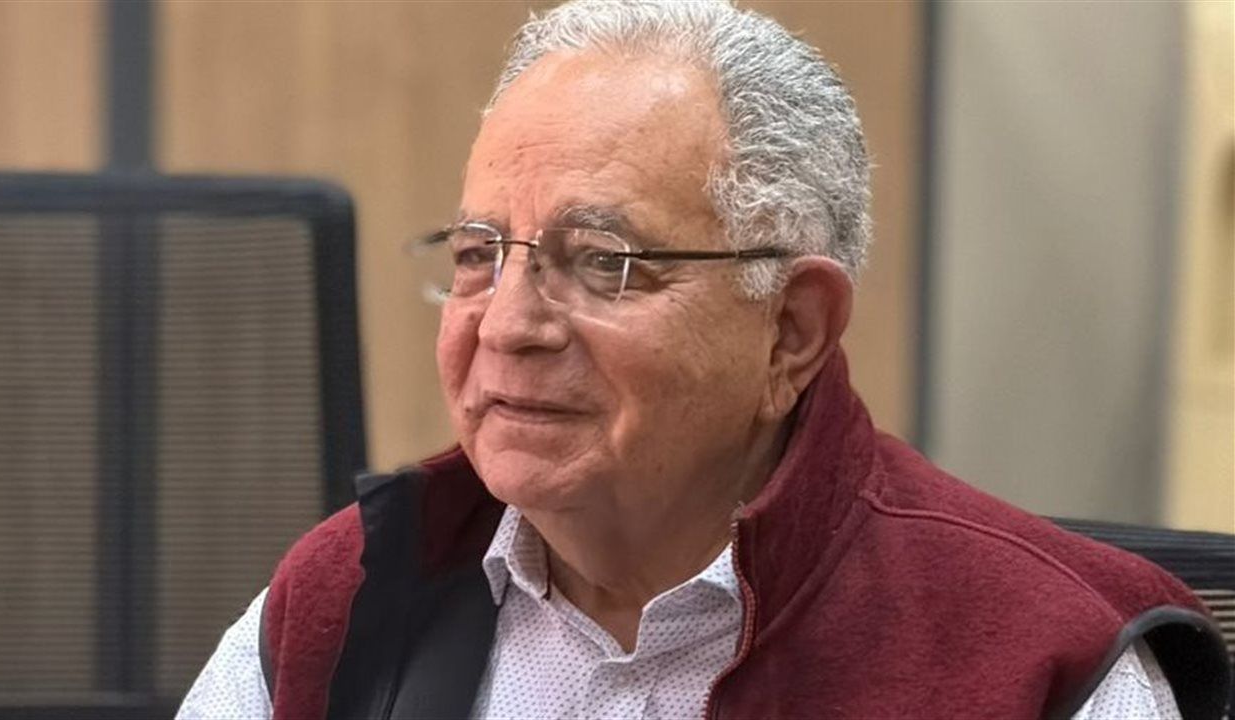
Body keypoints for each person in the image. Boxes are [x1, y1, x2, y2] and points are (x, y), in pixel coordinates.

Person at [178, 1, 1230, 718]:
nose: (505, 325)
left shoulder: (1043, 666)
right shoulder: (348, 598)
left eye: (603, 262)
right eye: (476, 256)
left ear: (792, 330)